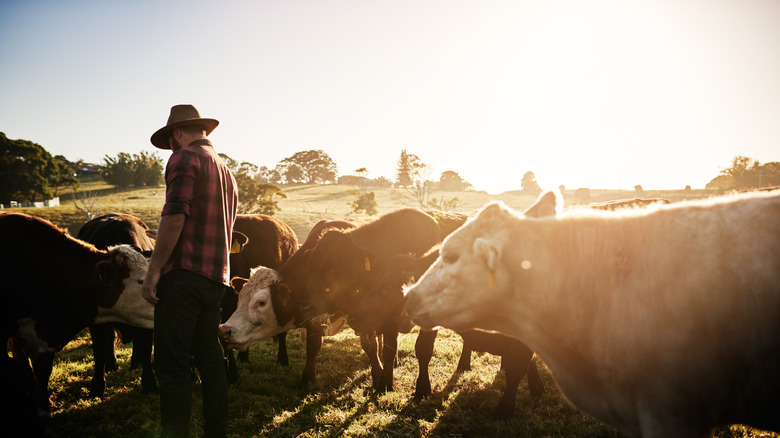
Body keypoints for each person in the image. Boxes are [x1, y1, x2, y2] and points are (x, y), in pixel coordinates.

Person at [143, 104, 238, 438]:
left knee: (171, 366)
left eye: (171, 140)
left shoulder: (184, 158)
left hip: (182, 278)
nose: (171, 147)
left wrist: (154, 271)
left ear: (178, 132)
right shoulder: (226, 171)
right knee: (210, 361)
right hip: (215, 279)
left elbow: (176, 213)